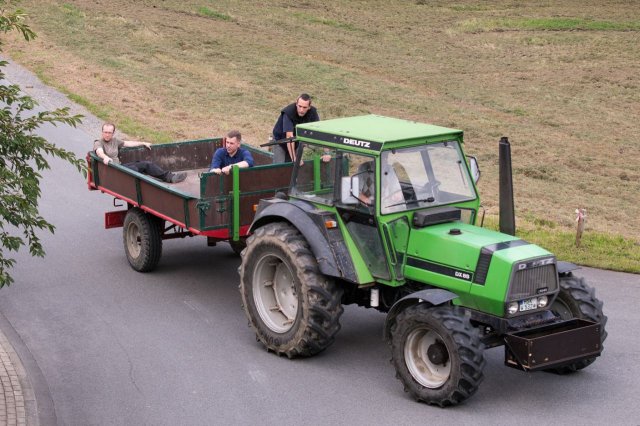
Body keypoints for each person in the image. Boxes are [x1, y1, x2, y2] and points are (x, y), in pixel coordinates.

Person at [94, 123, 186, 183]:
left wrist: (142, 143)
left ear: (113, 133)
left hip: (120, 166)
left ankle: (170, 177)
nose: (107, 134)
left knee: (146, 164)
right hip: (113, 170)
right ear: (102, 132)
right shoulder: (99, 142)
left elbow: (128, 143)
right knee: (134, 169)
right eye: (105, 132)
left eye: (109, 132)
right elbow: (99, 151)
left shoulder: (114, 140)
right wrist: (105, 157)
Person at [272, 93, 322, 164]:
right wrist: (294, 158)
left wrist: (325, 153)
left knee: (295, 167)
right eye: (300, 106)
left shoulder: (313, 112)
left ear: (309, 107)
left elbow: (320, 132)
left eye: (304, 107)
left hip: (297, 141)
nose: (301, 110)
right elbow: (289, 137)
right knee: (279, 166)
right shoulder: (288, 112)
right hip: (280, 140)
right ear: (296, 104)